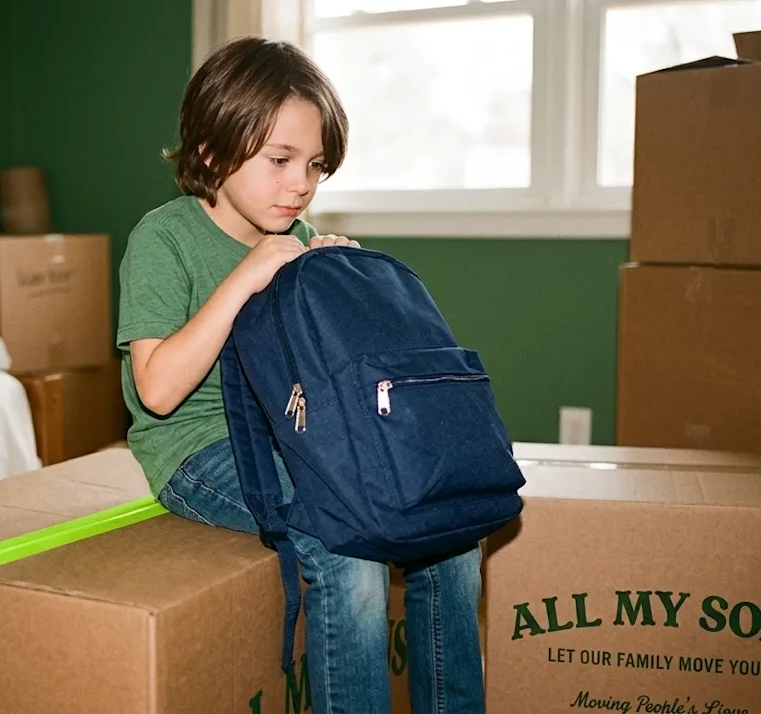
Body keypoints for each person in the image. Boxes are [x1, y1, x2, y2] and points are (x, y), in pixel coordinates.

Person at [116, 36, 484, 714]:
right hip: (198, 450)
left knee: (452, 525)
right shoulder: (163, 240)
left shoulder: (301, 236)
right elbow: (158, 390)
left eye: (315, 164)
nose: (301, 184)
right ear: (211, 151)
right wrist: (248, 276)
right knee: (346, 546)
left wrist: (338, 283)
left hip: (296, 434)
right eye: (279, 160)